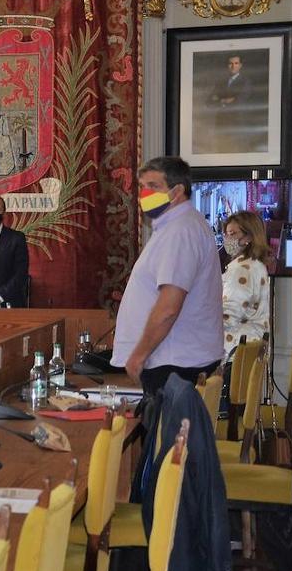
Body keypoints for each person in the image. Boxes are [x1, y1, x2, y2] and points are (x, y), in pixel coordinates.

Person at [112, 157, 224, 396]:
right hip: (176, 359)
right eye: (142, 186)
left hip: (174, 363)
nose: (145, 194)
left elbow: (169, 307)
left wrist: (139, 354)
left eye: (154, 186)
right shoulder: (178, 226)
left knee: (164, 424)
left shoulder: (180, 231)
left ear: (177, 191)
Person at [220, 210, 270, 358]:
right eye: (226, 234)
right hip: (247, 348)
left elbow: (228, 316)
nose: (227, 239)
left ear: (249, 236)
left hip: (233, 351)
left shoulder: (241, 269)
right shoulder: (254, 264)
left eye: (232, 234)